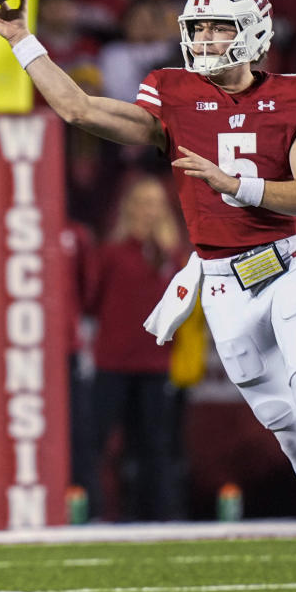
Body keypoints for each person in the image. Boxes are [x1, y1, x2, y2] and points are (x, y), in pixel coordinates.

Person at [0, 0, 296, 592]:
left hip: (289, 264)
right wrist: (21, 39)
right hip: (223, 281)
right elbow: (79, 109)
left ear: (255, 32)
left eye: (218, 26)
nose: (203, 38)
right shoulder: (171, 94)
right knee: (286, 429)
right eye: (197, 26)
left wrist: (238, 184)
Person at [86, 177, 185, 522]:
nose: (149, 209)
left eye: (156, 201)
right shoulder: (111, 253)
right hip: (112, 361)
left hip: (156, 363)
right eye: (142, 201)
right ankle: (90, 511)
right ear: (129, 207)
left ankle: (157, 517)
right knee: (97, 440)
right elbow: (92, 300)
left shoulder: (174, 256)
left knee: (154, 446)